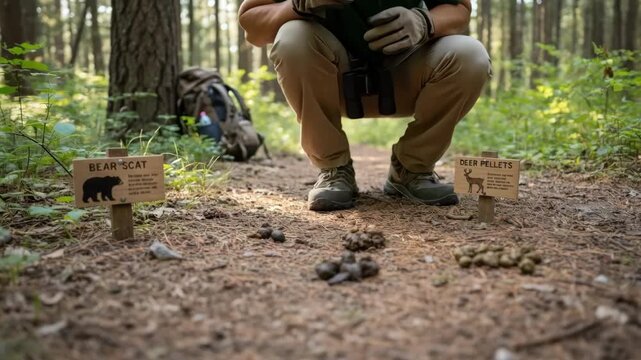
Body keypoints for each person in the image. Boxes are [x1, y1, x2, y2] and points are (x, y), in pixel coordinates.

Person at [238, 0, 491, 211]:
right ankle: (334, 168)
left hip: (406, 76)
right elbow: (252, 25)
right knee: (292, 36)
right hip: (329, 78)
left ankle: (412, 168)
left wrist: (425, 22)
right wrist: (301, 4)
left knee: (470, 55)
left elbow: (459, 9)